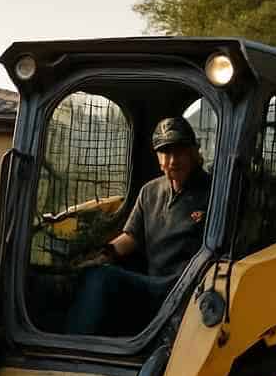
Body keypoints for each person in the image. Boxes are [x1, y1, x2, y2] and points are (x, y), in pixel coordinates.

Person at [64, 115, 211, 336]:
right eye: (166, 152)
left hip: (186, 288)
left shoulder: (212, 192)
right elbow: (132, 237)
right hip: (152, 285)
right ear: (158, 157)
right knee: (94, 273)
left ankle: (73, 351)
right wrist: (102, 254)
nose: (172, 161)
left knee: (102, 279)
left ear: (192, 152)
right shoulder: (149, 192)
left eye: (179, 151)